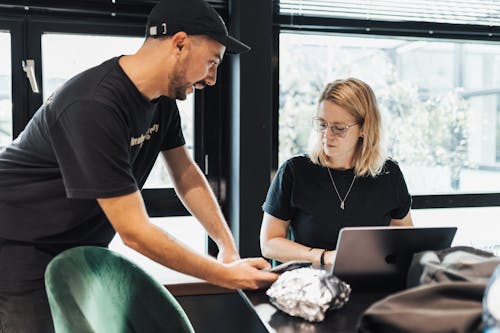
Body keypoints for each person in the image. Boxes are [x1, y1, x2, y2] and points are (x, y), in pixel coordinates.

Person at [0, 0, 278, 332]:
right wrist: (225, 275)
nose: (212, 79)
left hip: (77, 244)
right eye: (211, 62)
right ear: (179, 43)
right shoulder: (94, 105)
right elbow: (134, 231)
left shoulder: (160, 102)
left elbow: (186, 174)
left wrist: (228, 250)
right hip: (18, 242)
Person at [260, 78, 413, 268]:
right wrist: (323, 257)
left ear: (364, 129)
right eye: (322, 124)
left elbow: (405, 240)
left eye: (339, 128)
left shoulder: (389, 174)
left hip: (369, 282)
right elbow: (269, 243)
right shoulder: (295, 171)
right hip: (309, 284)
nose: (326, 135)